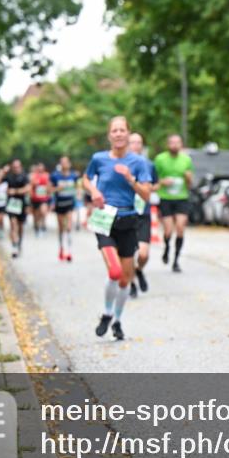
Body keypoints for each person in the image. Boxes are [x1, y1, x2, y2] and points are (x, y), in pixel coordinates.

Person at [83, 116, 152, 341]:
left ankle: (117, 320)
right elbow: (85, 178)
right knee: (114, 272)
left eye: (123, 130)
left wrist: (131, 179)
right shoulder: (99, 159)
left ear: (128, 134)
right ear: (109, 135)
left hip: (128, 219)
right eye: (115, 130)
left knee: (124, 279)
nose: (119, 134)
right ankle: (106, 313)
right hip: (104, 219)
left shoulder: (138, 162)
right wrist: (94, 192)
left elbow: (146, 194)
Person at [153, 134, 194, 273]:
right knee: (169, 230)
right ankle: (166, 248)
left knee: (181, 228)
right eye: (172, 142)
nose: (175, 145)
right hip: (165, 198)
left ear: (181, 145)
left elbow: (190, 184)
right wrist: (163, 182)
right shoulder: (160, 159)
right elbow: (153, 181)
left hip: (182, 197)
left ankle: (176, 260)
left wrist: (188, 179)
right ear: (167, 144)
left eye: (177, 143)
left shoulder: (186, 160)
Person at [128, 132, 159, 297]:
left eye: (139, 142)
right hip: (126, 214)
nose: (136, 145)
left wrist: (146, 189)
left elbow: (156, 184)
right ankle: (132, 284)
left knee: (143, 254)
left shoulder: (149, 165)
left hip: (143, 213)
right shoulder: (122, 164)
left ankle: (139, 270)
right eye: (132, 142)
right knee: (128, 255)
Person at [50, 155, 80, 261]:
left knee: (68, 227)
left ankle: (69, 251)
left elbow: (77, 187)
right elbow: (48, 190)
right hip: (59, 204)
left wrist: (78, 194)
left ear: (69, 164)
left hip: (70, 204)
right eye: (62, 162)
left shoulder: (73, 176)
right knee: (61, 228)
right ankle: (61, 248)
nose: (64, 164)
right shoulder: (55, 176)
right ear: (60, 164)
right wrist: (57, 188)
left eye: (66, 162)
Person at [2, 160, 30, 258]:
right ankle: (14, 246)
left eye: (17, 167)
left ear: (20, 167)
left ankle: (19, 244)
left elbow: (28, 188)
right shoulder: (9, 176)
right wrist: (3, 171)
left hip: (22, 204)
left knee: (20, 227)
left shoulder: (24, 176)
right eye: (14, 167)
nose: (16, 168)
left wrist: (15, 191)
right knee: (13, 225)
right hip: (12, 205)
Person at [29, 163, 51, 236]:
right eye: (39, 168)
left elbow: (49, 186)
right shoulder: (33, 175)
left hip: (44, 198)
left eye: (42, 168)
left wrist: (49, 192)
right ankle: (36, 228)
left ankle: (43, 226)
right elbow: (31, 185)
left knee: (43, 212)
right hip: (35, 198)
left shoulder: (47, 175)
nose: (40, 169)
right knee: (36, 215)